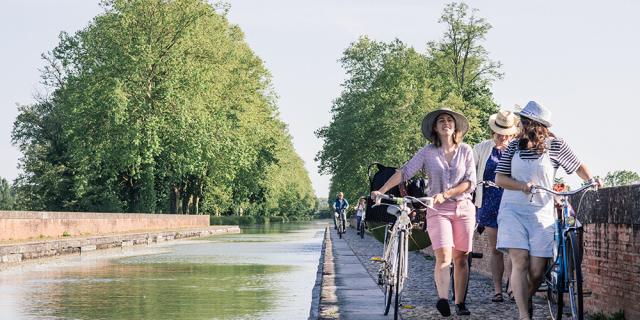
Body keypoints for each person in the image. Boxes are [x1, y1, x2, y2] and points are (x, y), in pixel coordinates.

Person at [494, 101, 601, 320]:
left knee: (537, 271)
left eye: (527, 122)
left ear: (539, 125)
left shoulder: (556, 145)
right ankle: (524, 315)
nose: (523, 125)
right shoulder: (514, 146)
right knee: (520, 260)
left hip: (541, 214)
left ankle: (526, 294)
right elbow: (500, 178)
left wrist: (591, 179)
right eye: (523, 121)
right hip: (512, 209)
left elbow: (578, 165)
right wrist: (522, 186)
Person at [371, 108, 476, 316]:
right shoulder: (427, 152)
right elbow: (405, 171)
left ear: (455, 127)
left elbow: (470, 182)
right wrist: (381, 190)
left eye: (449, 120)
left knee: (462, 258)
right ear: (435, 128)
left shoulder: (466, 150)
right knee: (444, 255)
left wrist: (447, 194)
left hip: (463, 208)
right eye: (441, 121)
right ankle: (444, 299)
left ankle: (460, 302)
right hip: (437, 209)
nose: (446, 123)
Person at [473, 110, 519, 302]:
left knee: (513, 248)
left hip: (510, 201)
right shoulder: (482, 148)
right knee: (496, 249)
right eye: (499, 132)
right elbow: (469, 171)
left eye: (506, 133)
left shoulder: (517, 150)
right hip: (489, 199)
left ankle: (513, 285)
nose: (502, 136)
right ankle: (497, 289)